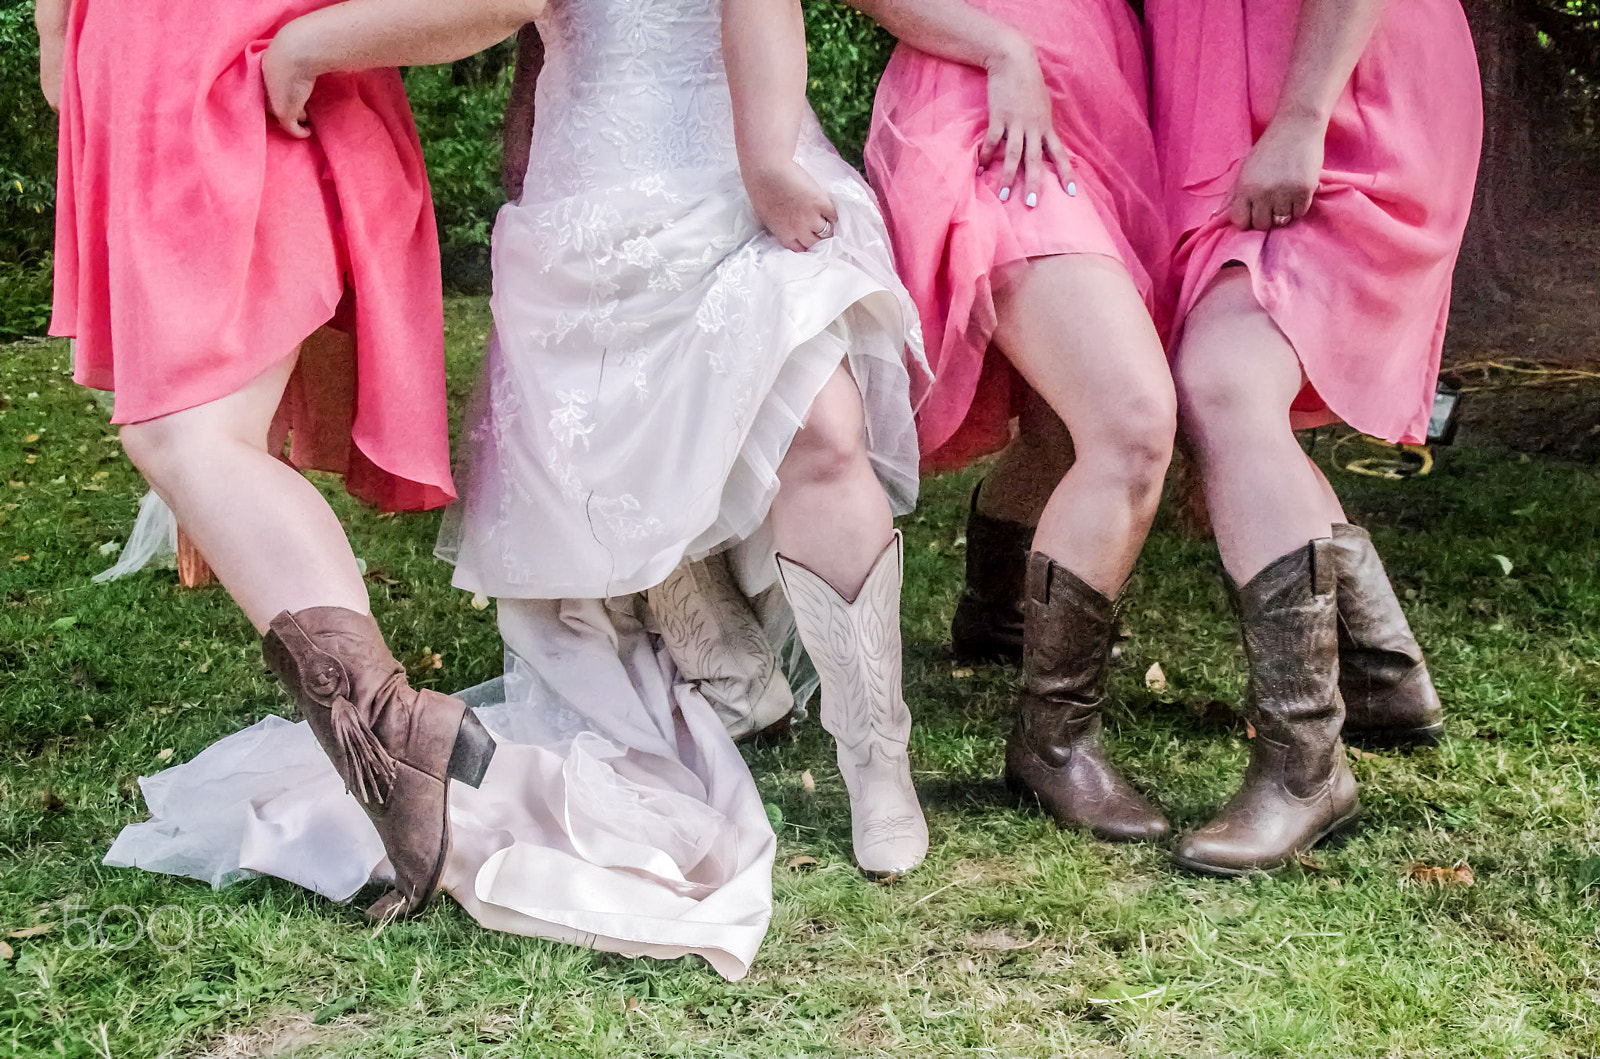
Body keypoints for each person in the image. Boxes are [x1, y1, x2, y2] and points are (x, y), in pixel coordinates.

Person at [106, 0, 931, 978]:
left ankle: (876, 759)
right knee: (619, 467)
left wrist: (763, 163)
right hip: (589, 174)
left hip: (740, 148)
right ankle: (716, 652)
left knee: (822, 432)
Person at [38, 0, 498, 921]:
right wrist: (61, 39)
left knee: (184, 435)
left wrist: (307, 45)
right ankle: (394, 741)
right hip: (160, 93)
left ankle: (396, 733)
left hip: (234, 89)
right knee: (174, 437)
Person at [1146, 0, 1483, 874]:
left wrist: (1302, 116)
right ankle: (1382, 674)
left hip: (1336, 102)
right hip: (1231, 111)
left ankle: (1304, 765)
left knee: (1224, 380)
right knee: (1227, 383)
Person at [854, 0, 1176, 842]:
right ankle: (1054, 740)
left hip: (1099, 103)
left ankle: (998, 609)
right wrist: (1001, 49)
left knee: (1063, 427)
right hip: (987, 106)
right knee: (1130, 421)